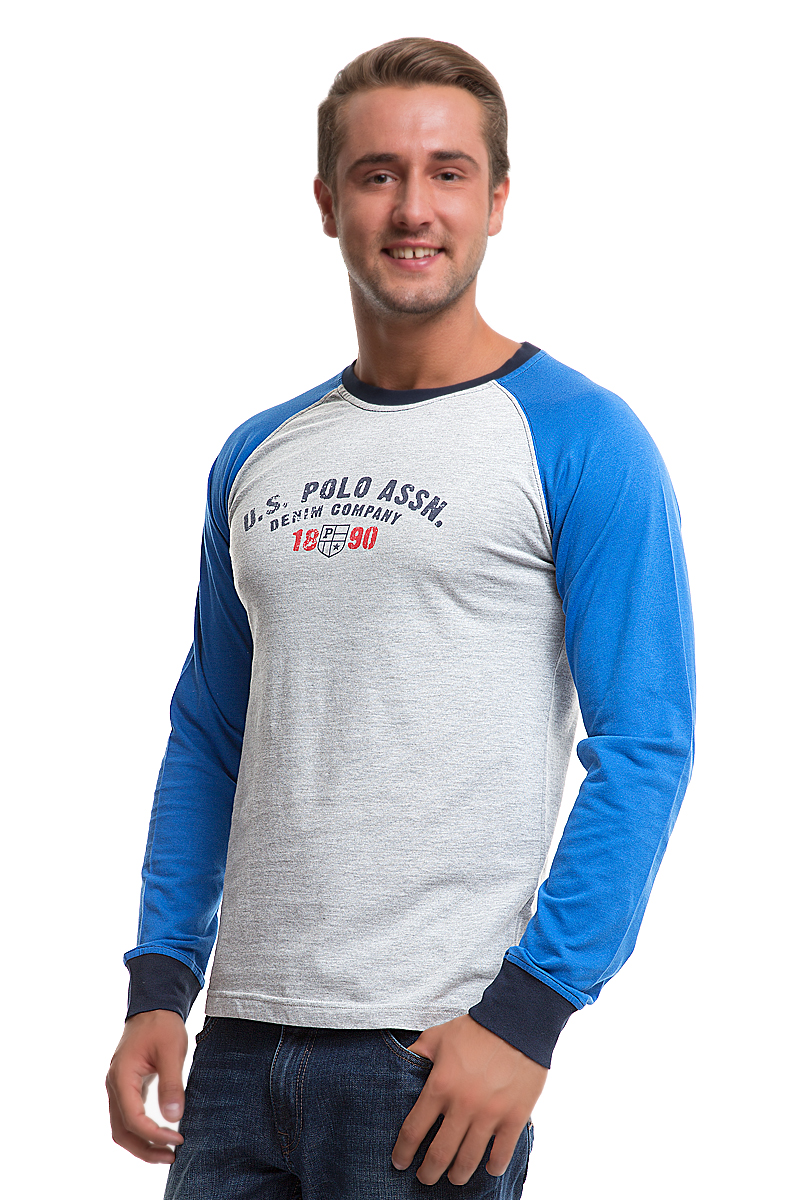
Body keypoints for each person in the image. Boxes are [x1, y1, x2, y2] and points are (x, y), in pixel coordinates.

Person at [106, 36, 695, 1198]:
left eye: (446, 172)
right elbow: (210, 734)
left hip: (427, 1058)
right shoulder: (257, 453)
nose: (412, 208)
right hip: (235, 1052)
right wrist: (159, 982)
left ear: (496, 200)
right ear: (328, 203)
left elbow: (644, 745)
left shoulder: (580, 437)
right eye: (377, 174)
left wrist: (529, 1014)